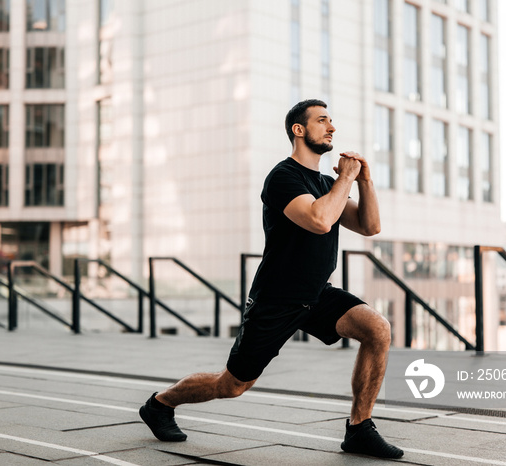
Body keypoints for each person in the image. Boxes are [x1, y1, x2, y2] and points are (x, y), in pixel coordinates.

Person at [139, 99, 403, 459]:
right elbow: (319, 219)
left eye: (332, 121)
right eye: (322, 120)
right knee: (231, 385)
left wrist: (366, 182)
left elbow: (370, 226)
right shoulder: (283, 177)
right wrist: (345, 179)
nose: (332, 128)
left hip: (316, 294)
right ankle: (159, 404)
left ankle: (359, 429)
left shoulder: (328, 182)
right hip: (276, 298)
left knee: (377, 329)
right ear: (299, 129)